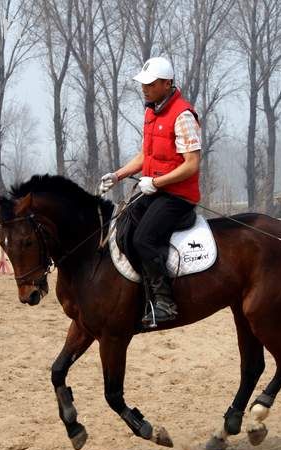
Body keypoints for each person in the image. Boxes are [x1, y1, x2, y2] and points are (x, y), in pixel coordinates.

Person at [99, 56, 202, 328]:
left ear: (167, 84)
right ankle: (142, 296)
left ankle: (165, 303)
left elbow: (191, 164)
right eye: (143, 84)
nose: (144, 88)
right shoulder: (151, 112)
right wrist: (118, 174)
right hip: (155, 191)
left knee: (144, 238)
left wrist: (156, 183)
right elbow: (146, 155)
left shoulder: (182, 116)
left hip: (177, 196)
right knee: (123, 227)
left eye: (151, 84)